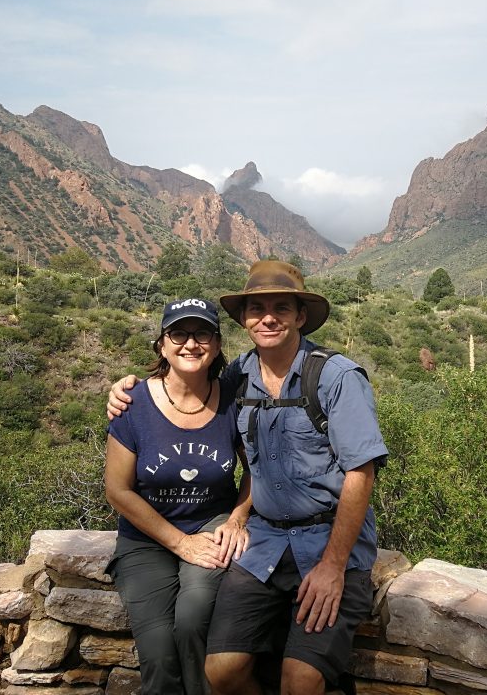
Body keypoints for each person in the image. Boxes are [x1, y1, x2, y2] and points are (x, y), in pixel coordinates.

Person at [108, 261, 388, 695]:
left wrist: (333, 567)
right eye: (257, 308)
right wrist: (126, 387)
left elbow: (361, 474)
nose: (268, 317)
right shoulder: (239, 377)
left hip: (328, 545)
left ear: (299, 316)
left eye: (281, 307)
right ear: (244, 319)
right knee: (221, 671)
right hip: (264, 546)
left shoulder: (335, 377)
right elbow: (186, 384)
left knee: (300, 681)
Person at [104, 297, 251, 695]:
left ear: (217, 345)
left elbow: (254, 469)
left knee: (193, 620)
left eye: (202, 333)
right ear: (162, 345)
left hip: (212, 524)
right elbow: (117, 490)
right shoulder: (133, 404)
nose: (191, 343)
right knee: (159, 651)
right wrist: (180, 542)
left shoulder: (233, 400)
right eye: (179, 333)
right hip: (145, 538)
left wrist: (237, 519)